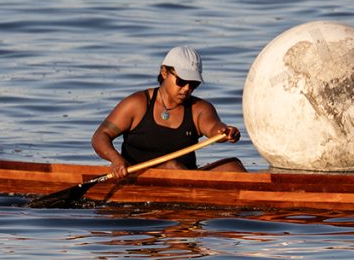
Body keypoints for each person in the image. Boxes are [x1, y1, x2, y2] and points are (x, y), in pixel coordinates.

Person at [91, 46, 246, 179]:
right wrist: (116, 160)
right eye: (181, 81)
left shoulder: (199, 109)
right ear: (164, 72)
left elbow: (213, 128)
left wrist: (225, 132)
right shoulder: (137, 104)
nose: (186, 89)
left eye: (193, 84)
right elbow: (100, 136)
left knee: (233, 165)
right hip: (137, 177)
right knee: (172, 167)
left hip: (186, 178)